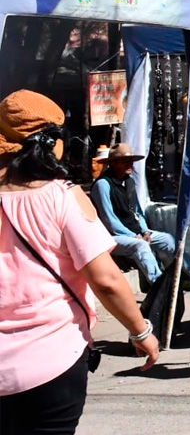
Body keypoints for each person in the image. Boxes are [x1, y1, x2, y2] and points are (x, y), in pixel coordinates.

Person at [0, 90, 159, 434]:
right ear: (51, 142)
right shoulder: (62, 196)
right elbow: (106, 279)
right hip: (50, 361)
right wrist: (141, 331)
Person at [90, 143, 190, 290]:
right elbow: (109, 219)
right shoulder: (103, 184)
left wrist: (145, 231)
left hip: (135, 232)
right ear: (113, 163)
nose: (130, 164)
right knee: (140, 246)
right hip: (113, 236)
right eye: (124, 161)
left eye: (131, 161)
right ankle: (160, 287)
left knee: (168, 240)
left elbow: (136, 211)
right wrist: (133, 235)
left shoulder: (129, 182)